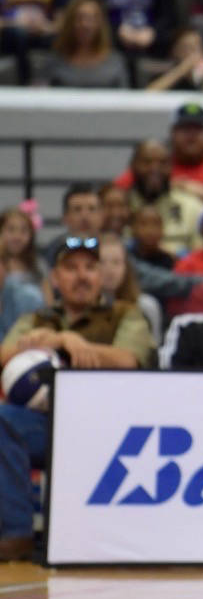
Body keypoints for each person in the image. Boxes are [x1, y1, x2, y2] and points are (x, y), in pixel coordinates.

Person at [0, 237, 154, 561]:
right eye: (70, 268)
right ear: (54, 278)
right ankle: (17, 534)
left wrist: (67, 342)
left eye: (89, 267)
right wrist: (59, 338)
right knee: (4, 419)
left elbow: (130, 358)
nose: (81, 275)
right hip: (47, 423)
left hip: (108, 426)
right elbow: (4, 355)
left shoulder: (125, 313)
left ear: (101, 275)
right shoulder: (37, 318)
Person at [124, 139, 203, 255]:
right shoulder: (120, 206)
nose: (154, 169)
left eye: (163, 163)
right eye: (147, 162)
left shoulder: (192, 207)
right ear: (133, 166)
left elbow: (201, 257)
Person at [43, 0, 128, 88]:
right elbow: (39, 96)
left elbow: (124, 99)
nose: (85, 24)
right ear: (70, 22)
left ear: (101, 24)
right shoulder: (54, 59)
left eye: (92, 18)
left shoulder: (115, 62)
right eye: (79, 18)